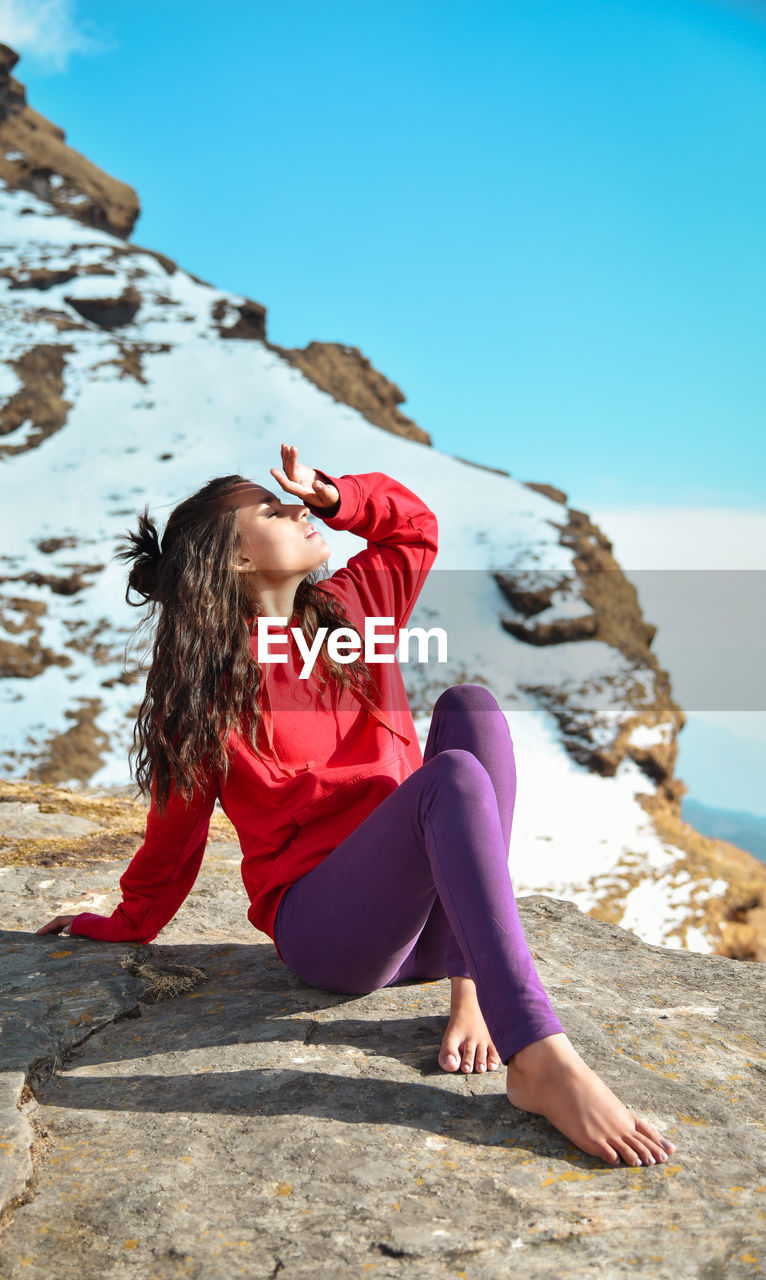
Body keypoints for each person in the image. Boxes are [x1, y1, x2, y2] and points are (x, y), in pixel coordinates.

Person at [39, 442, 677, 1169]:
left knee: (472, 710)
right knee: (452, 779)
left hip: (436, 937)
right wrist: (123, 922)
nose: (300, 511)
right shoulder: (208, 691)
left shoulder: (350, 610)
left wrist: (337, 493)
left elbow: (414, 529)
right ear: (238, 562)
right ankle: (541, 1056)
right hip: (334, 937)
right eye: (275, 510)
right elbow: (174, 840)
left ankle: (474, 990)